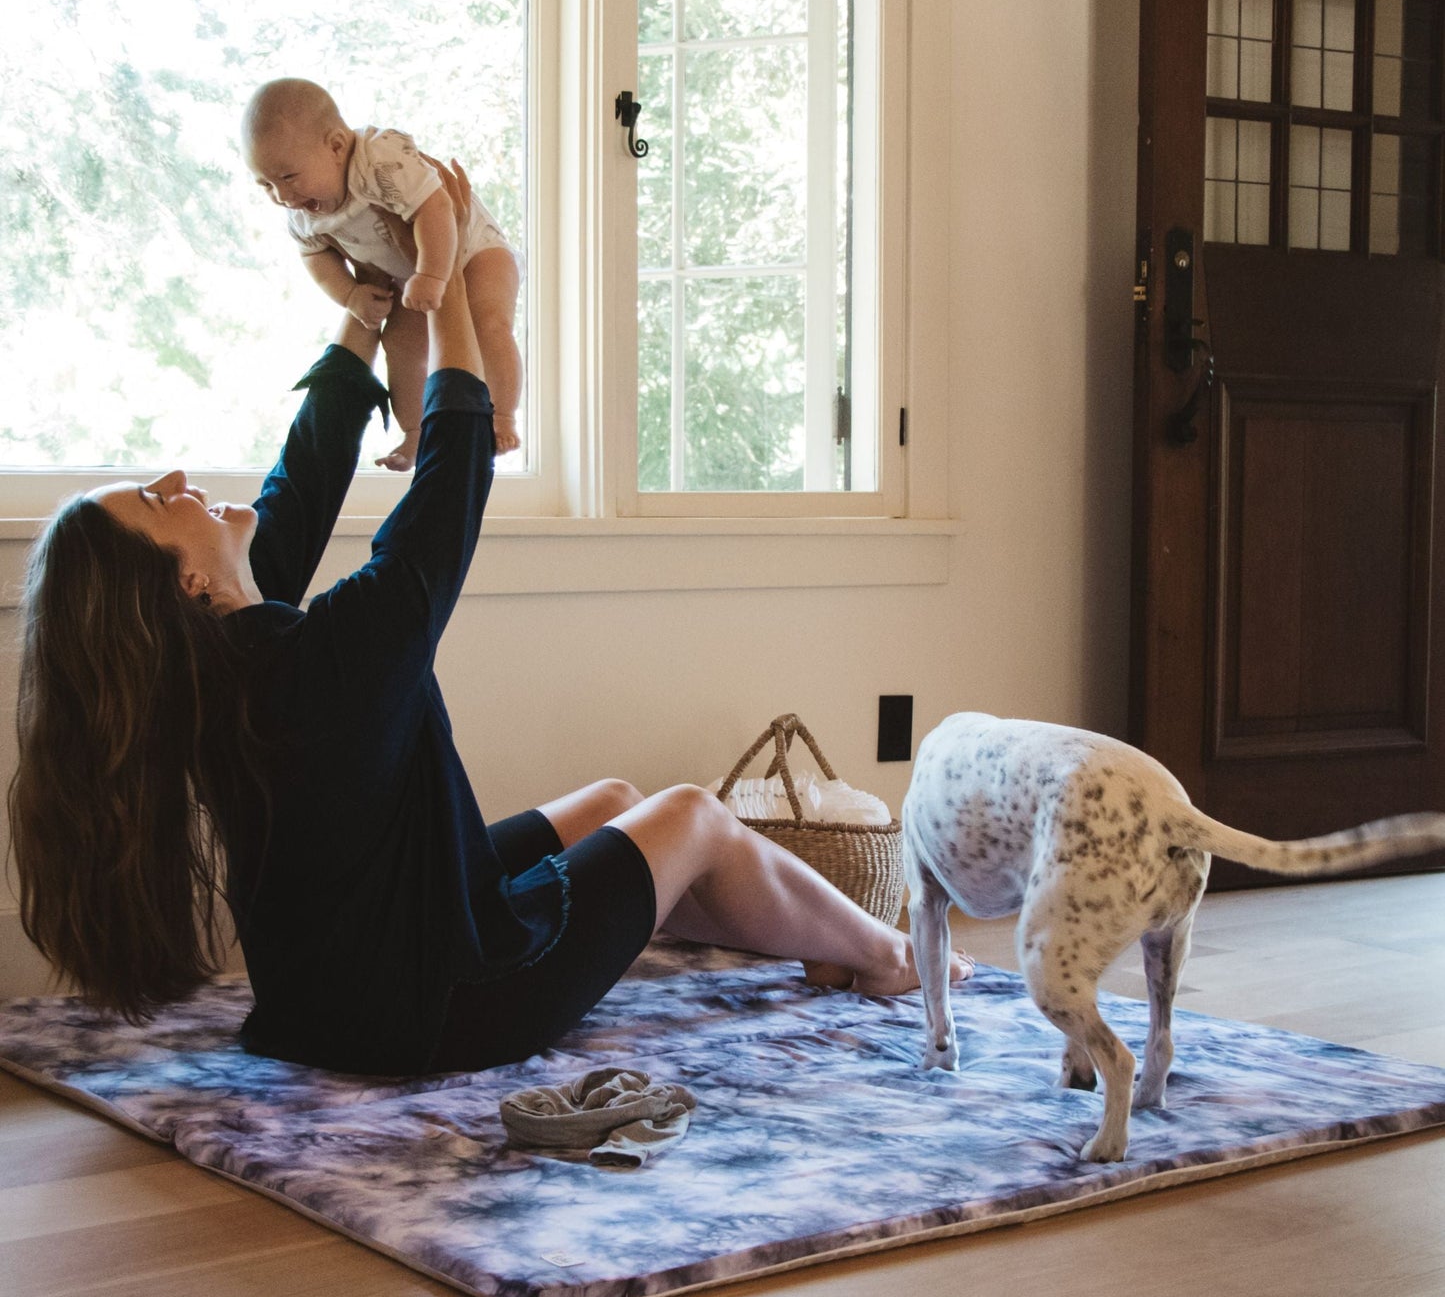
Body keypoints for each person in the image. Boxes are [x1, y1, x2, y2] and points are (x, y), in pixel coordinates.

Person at [8, 162, 969, 1077]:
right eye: (154, 496)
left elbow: (301, 478)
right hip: (444, 1007)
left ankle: (793, 937)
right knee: (688, 813)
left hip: (327, 994)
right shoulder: (317, 665)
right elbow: (447, 495)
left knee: (609, 800)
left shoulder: (220, 658)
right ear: (184, 582)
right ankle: (889, 952)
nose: (178, 480)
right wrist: (453, 283)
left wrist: (364, 317)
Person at [239, 77, 522, 472]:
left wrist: (434, 275)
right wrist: (350, 295)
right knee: (400, 344)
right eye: (266, 185)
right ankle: (414, 432)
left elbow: (436, 207)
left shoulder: (381, 160)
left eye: (289, 177)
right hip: (408, 274)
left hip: (475, 248)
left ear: (336, 146)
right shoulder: (303, 215)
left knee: (489, 321)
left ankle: (503, 414)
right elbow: (316, 257)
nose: (283, 196)